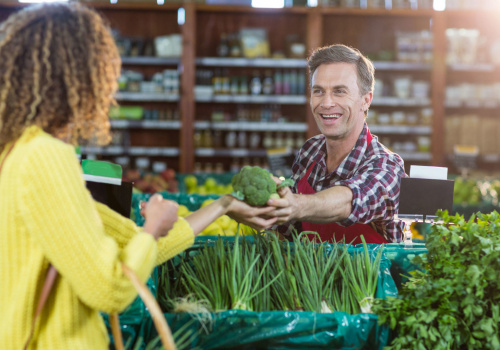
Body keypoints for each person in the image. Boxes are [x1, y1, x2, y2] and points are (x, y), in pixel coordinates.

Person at [0, 4, 274, 350]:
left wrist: (222, 205)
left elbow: (131, 242)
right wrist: (151, 228)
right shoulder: (46, 157)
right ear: (83, 77)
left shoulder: (15, 152)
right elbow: (111, 288)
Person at [266, 44, 406, 244]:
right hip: (310, 275)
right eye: (318, 91)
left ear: (366, 100)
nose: (326, 103)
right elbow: (287, 231)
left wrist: (295, 205)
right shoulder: (310, 151)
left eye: (339, 91)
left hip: (371, 276)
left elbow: (351, 200)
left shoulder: (387, 167)